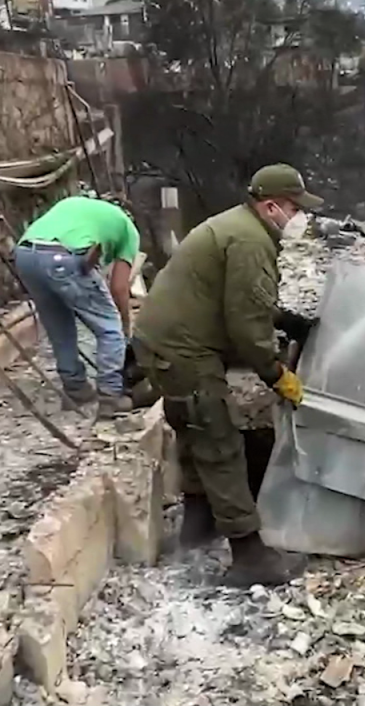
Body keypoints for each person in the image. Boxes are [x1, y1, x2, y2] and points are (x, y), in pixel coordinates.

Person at [133, 164, 319, 587]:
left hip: (163, 344)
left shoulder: (237, 227)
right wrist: (276, 374)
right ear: (271, 206)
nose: (299, 218)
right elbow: (246, 325)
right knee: (219, 440)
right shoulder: (252, 241)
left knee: (197, 432)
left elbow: (238, 297)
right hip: (183, 351)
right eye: (294, 207)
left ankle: (198, 528)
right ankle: (249, 555)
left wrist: (285, 320)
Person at [13, 194, 139, 419]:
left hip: (25, 255)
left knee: (59, 326)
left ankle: (75, 389)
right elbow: (119, 287)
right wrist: (125, 326)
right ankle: (111, 396)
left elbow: (89, 254)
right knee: (109, 328)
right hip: (61, 257)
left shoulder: (76, 205)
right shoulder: (128, 229)